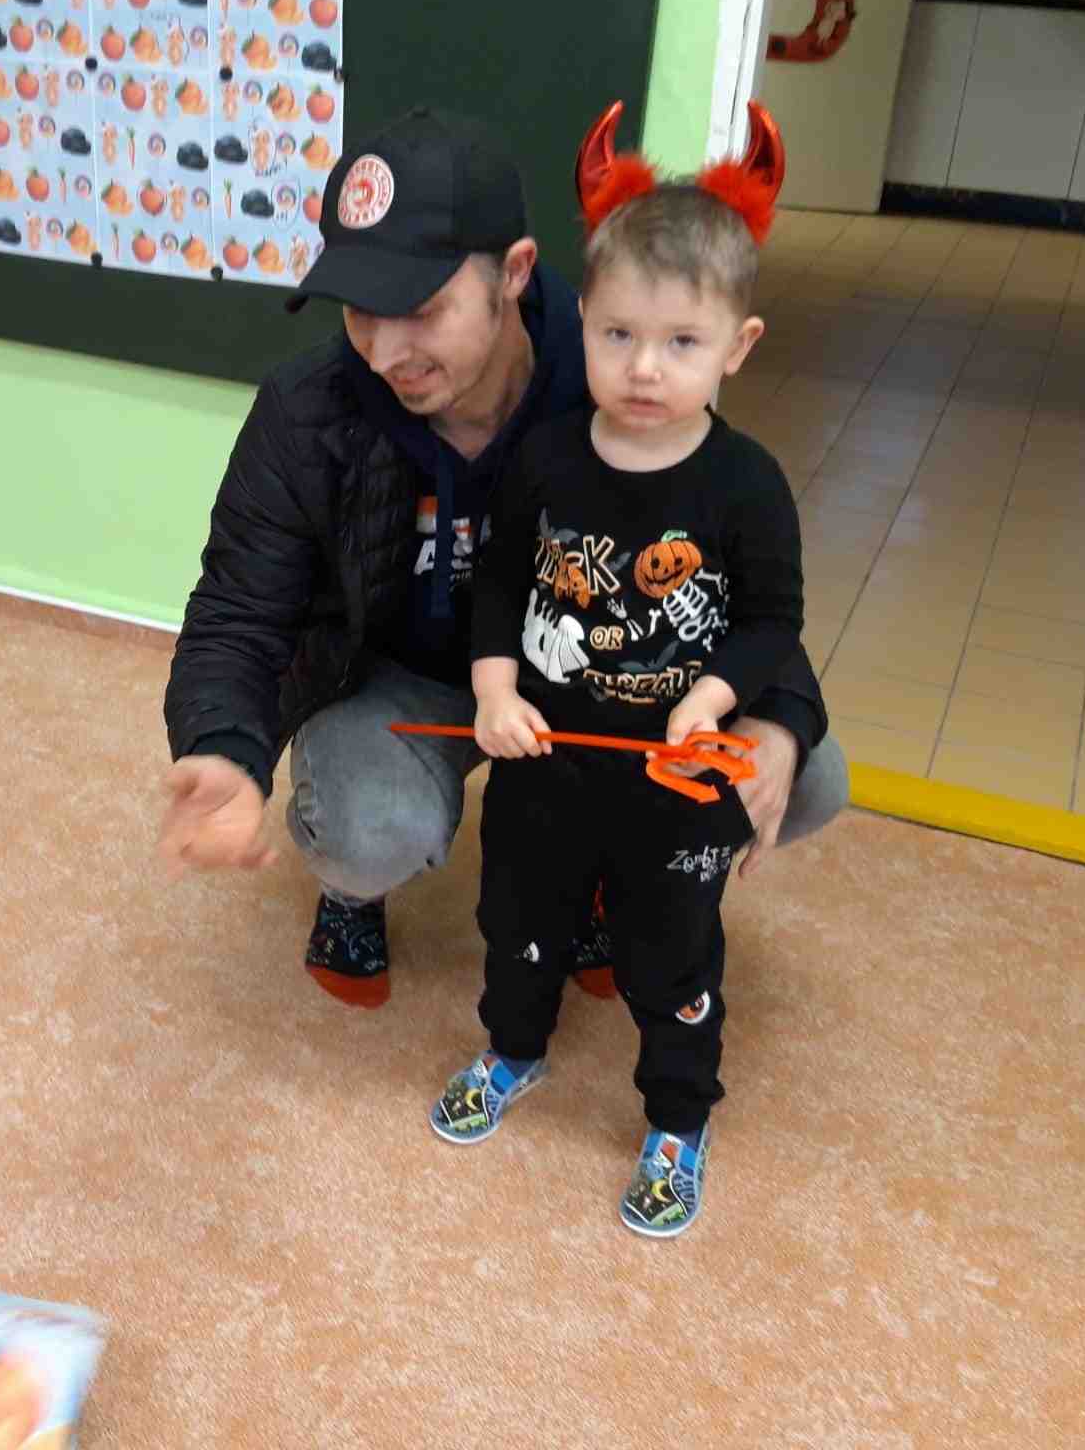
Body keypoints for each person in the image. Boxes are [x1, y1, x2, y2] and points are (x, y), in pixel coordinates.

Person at [159, 106, 845, 1010]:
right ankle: (352, 896)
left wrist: (783, 717)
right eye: (361, 311)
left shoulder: (617, 369)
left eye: (421, 310)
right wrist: (222, 748)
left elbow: (728, 570)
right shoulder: (308, 410)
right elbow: (238, 610)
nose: (386, 351)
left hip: (589, 672)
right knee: (366, 832)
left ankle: (595, 861)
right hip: (397, 680)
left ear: (514, 273)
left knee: (810, 775)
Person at [431, 124, 795, 1239]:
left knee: (670, 957)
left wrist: (713, 698)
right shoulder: (544, 457)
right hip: (545, 766)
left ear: (736, 347)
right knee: (515, 922)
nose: (644, 368)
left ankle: (678, 1120)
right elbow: (499, 584)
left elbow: (772, 622)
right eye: (619, 334)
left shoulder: (747, 486)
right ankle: (513, 1051)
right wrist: (494, 691)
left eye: (681, 341)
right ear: (581, 320)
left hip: (672, 787)